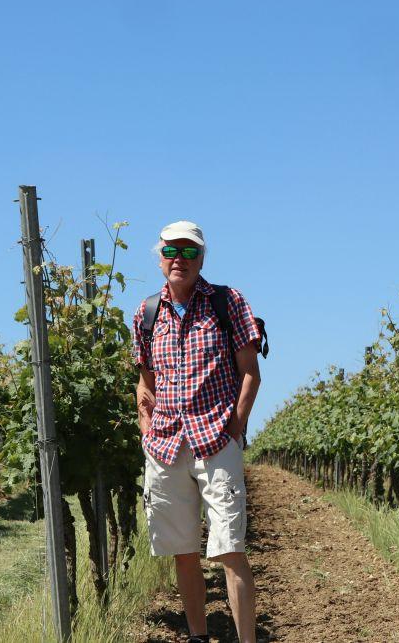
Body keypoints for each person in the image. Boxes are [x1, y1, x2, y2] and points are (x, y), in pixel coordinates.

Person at [132, 220, 262, 643]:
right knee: (183, 551)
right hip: (166, 445)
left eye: (190, 252)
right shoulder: (147, 312)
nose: (179, 260)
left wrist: (235, 429)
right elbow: (145, 382)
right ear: (160, 257)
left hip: (215, 441)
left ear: (202, 258)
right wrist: (145, 426)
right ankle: (198, 638)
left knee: (230, 549)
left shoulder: (227, 301)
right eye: (172, 251)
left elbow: (250, 375)